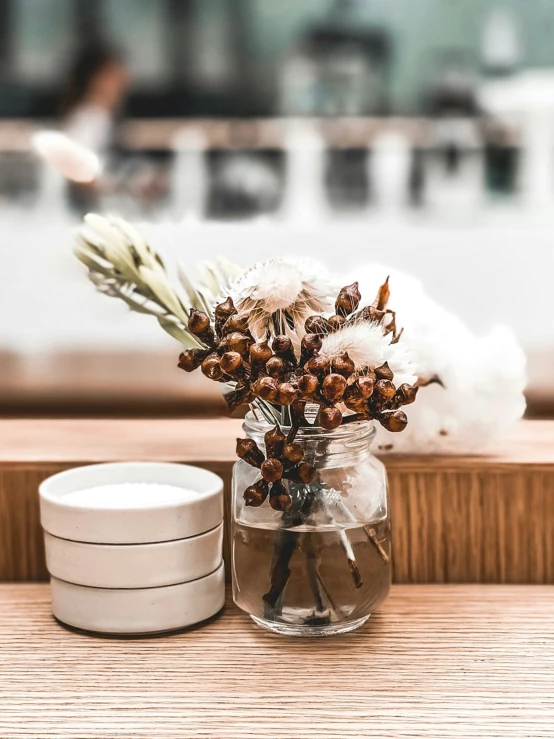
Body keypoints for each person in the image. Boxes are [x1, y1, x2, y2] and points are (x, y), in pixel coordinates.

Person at [61, 45, 130, 158]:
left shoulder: (102, 118)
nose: (122, 82)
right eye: (113, 76)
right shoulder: (89, 120)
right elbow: (80, 170)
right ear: (94, 80)